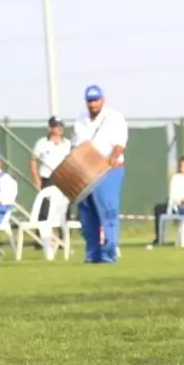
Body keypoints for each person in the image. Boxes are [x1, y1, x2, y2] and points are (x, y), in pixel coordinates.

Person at [72, 85, 127, 264]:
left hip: (109, 170)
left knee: (108, 211)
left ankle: (109, 253)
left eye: (96, 100)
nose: (93, 104)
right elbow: (76, 146)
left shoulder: (114, 118)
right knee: (87, 213)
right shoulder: (80, 120)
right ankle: (92, 254)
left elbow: (119, 145)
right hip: (85, 171)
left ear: (103, 99)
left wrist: (109, 161)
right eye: (90, 100)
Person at [30, 117, 73, 222]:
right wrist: (36, 179)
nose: (59, 128)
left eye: (61, 126)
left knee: (63, 208)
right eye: (56, 126)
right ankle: (43, 235)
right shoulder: (42, 143)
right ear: (50, 128)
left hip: (64, 180)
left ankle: (63, 236)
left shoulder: (68, 143)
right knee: (45, 208)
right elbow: (33, 160)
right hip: (47, 179)